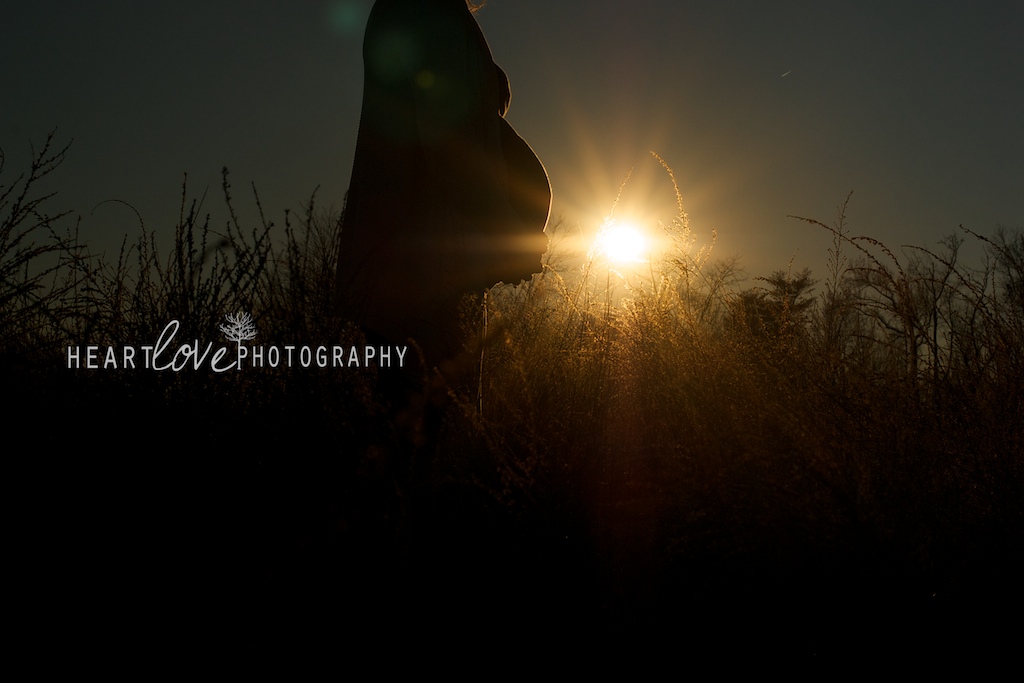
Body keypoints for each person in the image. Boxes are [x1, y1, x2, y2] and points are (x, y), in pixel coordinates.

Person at [335, 0, 550, 362]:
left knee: (429, 402)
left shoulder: (429, 13)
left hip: (428, 265)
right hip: (425, 273)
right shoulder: (429, 10)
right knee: (434, 402)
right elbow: (450, 142)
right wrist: (507, 231)